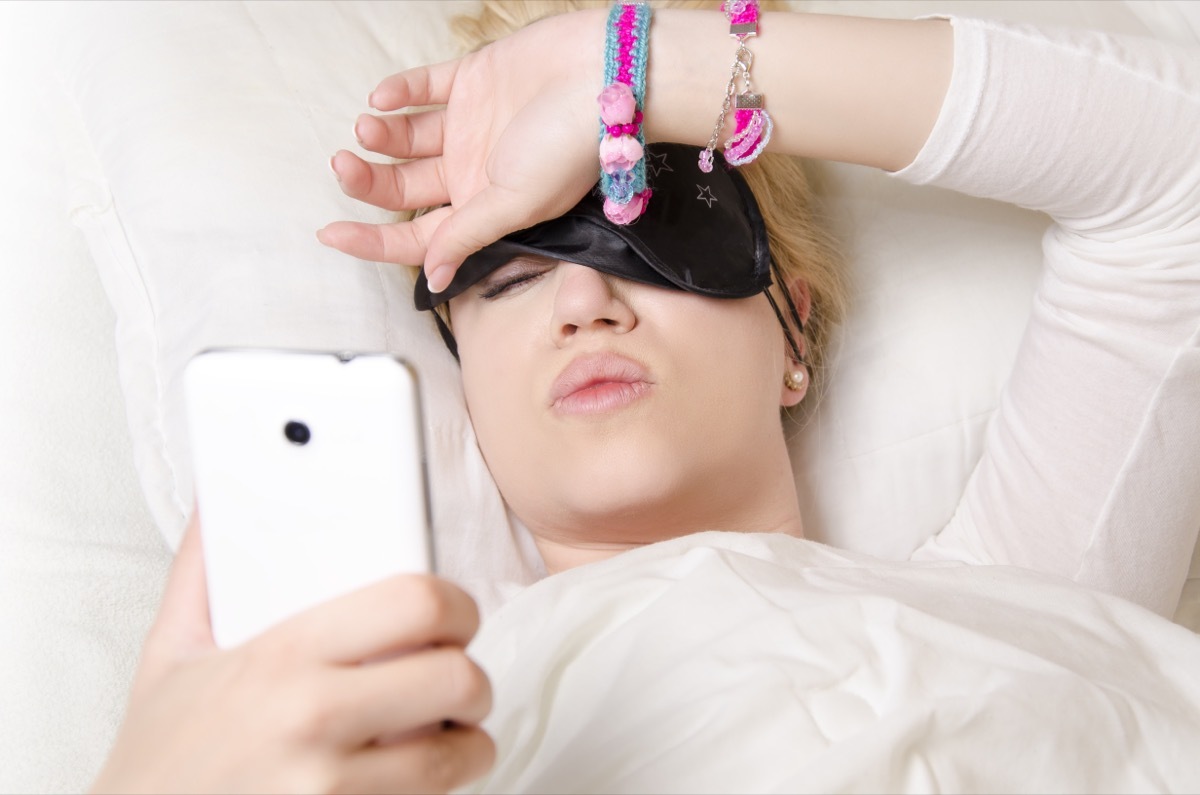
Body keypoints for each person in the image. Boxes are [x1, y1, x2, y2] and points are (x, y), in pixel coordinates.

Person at [93, 1, 1200, 792]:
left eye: (655, 227)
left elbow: (1177, 168)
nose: (582, 299)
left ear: (793, 334)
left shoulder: (1018, 601)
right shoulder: (403, 734)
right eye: (509, 275)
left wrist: (629, 64)